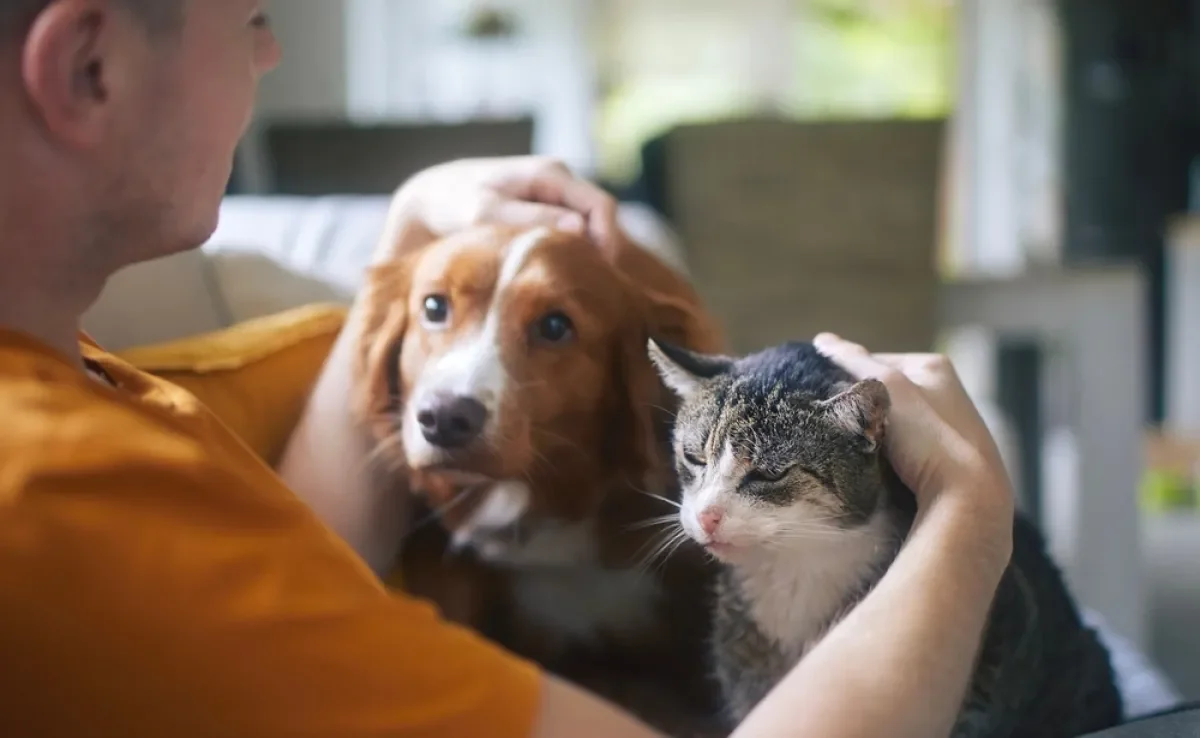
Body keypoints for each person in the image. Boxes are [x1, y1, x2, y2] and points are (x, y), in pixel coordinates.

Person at [0, 1, 1016, 737]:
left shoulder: (63, 375)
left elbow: (299, 571)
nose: (268, 49)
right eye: (251, 19)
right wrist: (970, 514)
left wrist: (410, 240)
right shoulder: (58, 502)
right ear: (91, 67)